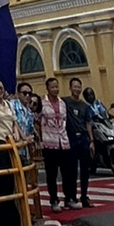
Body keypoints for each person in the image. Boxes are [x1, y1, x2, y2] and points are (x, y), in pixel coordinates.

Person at [0, 77, 28, 226]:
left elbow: (13, 122)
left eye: (1, 88)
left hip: (9, 144)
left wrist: (19, 135)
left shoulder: (8, 104)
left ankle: (7, 218)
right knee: (2, 181)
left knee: (10, 181)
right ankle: (2, 219)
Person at [36, 75, 76, 212]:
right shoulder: (42, 103)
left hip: (63, 142)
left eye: (56, 87)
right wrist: (40, 137)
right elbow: (36, 120)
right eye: (52, 87)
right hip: (49, 143)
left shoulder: (62, 103)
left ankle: (69, 198)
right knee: (52, 174)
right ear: (47, 88)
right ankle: (54, 200)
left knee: (67, 173)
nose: (55, 89)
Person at [65, 76, 96, 208]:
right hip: (70, 138)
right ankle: (71, 197)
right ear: (70, 88)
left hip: (83, 138)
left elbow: (88, 122)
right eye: (75, 87)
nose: (77, 89)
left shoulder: (84, 106)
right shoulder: (65, 102)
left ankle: (84, 196)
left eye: (79, 87)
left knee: (85, 170)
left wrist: (91, 140)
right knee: (71, 170)